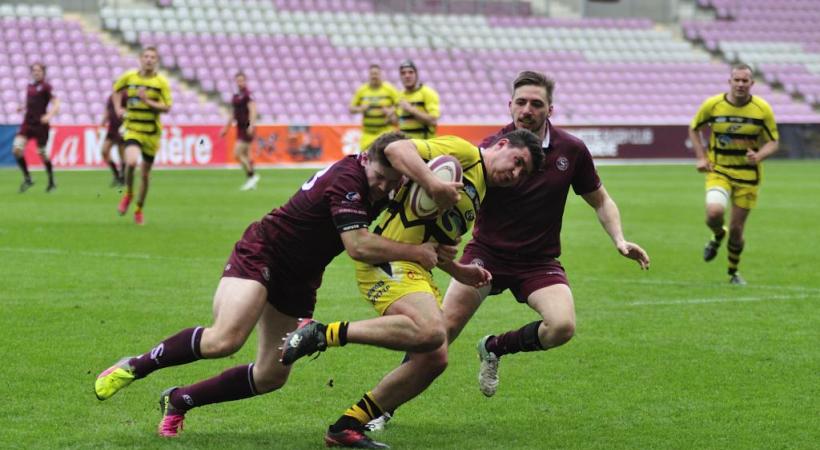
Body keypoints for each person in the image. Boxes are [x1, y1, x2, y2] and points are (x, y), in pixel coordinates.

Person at [93, 132, 460, 439]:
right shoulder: (348, 178)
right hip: (265, 251)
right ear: (367, 159)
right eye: (380, 176)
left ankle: (180, 400)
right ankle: (136, 366)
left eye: (393, 182)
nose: (383, 186)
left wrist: (458, 267)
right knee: (225, 339)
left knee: (270, 376)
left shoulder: (391, 186)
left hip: (301, 277)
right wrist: (417, 249)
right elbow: (359, 246)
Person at [362, 70, 651, 434]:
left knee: (561, 327)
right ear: (509, 105)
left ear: (550, 109)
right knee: (439, 333)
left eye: (536, 104)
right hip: (486, 255)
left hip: (539, 261)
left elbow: (601, 200)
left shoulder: (572, 151)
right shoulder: (492, 149)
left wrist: (620, 240)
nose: (527, 110)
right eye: (521, 102)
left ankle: (495, 346)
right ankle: (383, 409)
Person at [280, 129, 544, 448]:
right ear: (501, 145)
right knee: (432, 332)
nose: (515, 173)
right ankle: (322, 333)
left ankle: (347, 425)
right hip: (390, 261)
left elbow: (434, 244)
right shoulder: (463, 152)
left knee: (434, 358)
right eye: (517, 161)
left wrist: (459, 270)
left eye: (522, 173)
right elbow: (395, 148)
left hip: (417, 269)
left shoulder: (480, 194)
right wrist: (433, 183)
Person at [689, 63, 778, 285]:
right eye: (736, 80)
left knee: (737, 230)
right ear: (729, 82)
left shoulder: (762, 109)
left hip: (748, 176)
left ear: (751, 83)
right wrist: (701, 157)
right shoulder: (713, 105)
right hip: (719, 171)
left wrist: (759, 156)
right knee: (714, 213)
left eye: (744, 80)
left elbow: (773, 142)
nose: (740, 84)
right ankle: (718, 234)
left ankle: (732, 272)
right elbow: (694, 128)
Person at [112, 46, 172, 225]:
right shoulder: (130, 77)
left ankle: (138, 209)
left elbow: (167, 107)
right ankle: (129, 194)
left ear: (157, 61)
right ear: (140, 58)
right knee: (131, 162)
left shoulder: (161, 82)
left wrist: (147, 101)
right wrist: (117, 108)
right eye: (146, 56)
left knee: (145, 175)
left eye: (153, 57)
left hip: (151, 134)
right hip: (133, 128)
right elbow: (116, 90)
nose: (149, 60)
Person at [13, 62, 60, 193]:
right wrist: (22, 107)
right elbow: (31, 102)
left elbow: (56, 103)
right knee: (16, 149)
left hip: (41, 125)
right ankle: (28, 178)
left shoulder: (46, 87)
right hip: (27, 123)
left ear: (43, 73)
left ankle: (51, 181)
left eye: (38, 70)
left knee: (42, 154)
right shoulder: (29, 86)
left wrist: (49, 115)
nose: (36, 72)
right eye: (34, 70)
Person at [220, 71, 260, 191]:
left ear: (245, 81)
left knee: (237, 154)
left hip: (246, 127)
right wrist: (226, 128)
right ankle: (251, 181)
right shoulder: (236, 96)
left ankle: (252, 176)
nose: (240, 82)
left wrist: (251, 126)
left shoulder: (248, 95)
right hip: (239, 128)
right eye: (238, 80)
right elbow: (233, 114)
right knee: (247, 155)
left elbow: (253, 110)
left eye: (242, 80)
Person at [349, 64, 399, 151]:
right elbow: (351, 108)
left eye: (376, 74)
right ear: (369, 75)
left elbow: (400, 103)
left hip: (385, 131)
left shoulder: (389, 89)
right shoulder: (362, 90)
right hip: (367, 133)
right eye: (372, 74)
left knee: (386, 157)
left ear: (380, 75)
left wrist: (390, 111)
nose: (374, 76)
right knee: (365, 159)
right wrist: (361, 108)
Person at [393, 59, 440, 139]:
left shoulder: (428, 93)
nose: (407, 76)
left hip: (425, 145)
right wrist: (389, 114)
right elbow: (397, 121)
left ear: (416, 74)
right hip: (406, 144)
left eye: (410, 72)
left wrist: (411, 110)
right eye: (403, 73)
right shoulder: (399, 95)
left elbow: (433, 121)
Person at [100, 92, 126, 187]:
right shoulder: (111, 96)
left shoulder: (126, 96)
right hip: (112, 128)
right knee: (104, 151)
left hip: (122, 128)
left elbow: (130, 110)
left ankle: (122, 178)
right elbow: (108, 110)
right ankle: (116, 174)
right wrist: (103, 122)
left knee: (122, 154)